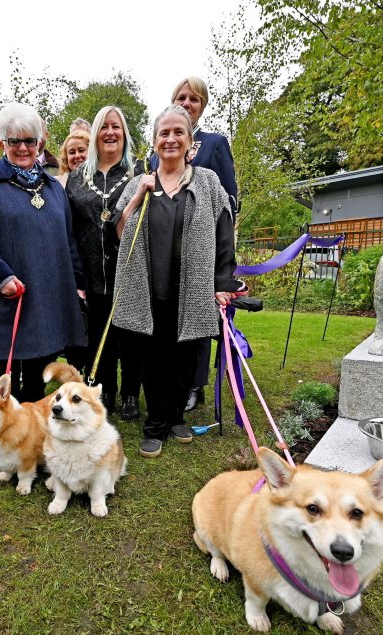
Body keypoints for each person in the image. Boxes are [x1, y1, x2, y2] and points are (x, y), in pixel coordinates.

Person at [113, 105, 241, 457]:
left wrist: (223, 282)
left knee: (187, 357)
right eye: (163, 133)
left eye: (178, 133)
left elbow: (224, 234)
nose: (170, 139)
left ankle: (174, 418)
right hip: (148, 288)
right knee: (153, 358)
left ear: (191, 143)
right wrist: (139, 195)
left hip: (193, 288)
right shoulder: (140, 183)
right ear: (154, 142)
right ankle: (156, 424)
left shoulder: (208, 182)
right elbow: (119, 231)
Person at [0, 102, 87, 401]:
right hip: (5, 294)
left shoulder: (54, 188)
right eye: (14, 140)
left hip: (44, 298)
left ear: (40, 144)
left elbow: (67, 239)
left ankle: (30, 433)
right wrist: (0, 276)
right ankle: (0, 432)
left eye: (29, 141)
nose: (22, 147)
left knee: (36, 377)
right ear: (1, 143)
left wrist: (78, 283)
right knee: (3, 382)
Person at [157, 76, 240, 413]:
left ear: (203, 105)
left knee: (198, 321)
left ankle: (194, 384)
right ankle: (165, 383)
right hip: (164, 253)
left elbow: (229, 200)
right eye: (181, 97)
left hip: (201, 253)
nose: (187, 103)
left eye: (194, 99)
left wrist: (224, 263)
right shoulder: (162, 146)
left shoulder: (214, 144)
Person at [66, 106, 144, 420]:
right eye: (104, 127)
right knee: (101, 333)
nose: (110, 132)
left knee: (132, 335)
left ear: (124, 133)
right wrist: (76, 276)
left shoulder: (139, 172)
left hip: (129, 269)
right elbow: (69, 227)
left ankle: (130, 394)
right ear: (96, 134)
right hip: (91, 271)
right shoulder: (76, 177)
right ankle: (106, 389)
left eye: (116, 127)